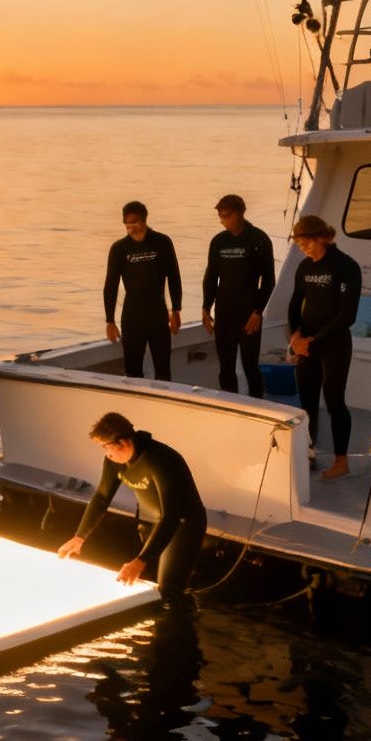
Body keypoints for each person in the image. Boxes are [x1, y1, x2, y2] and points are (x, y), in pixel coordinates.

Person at [57, 412, 206, 600]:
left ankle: (180, 617)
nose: (107, 454)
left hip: (182, 525)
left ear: (124, 443)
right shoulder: (114, 462)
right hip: (149, 522)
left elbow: (171, 515)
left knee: (167, 590)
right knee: (144, 587)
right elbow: (102, 497)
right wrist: (79, 537)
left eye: (107, 447)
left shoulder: (161, 459)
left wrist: (140, 560)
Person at [285, 214, 363, 479]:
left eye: (304, 241)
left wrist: (313, 341)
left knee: (333, 401)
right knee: (306, 404)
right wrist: (295, 337)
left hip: (334, 344)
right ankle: (308, 455)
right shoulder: (305, 268)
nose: (300, 247)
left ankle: (342, 461)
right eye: (297, 242)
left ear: (321, 237)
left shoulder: (346, 267)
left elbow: (347, 315)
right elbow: (295, 305)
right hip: (307, 346)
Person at [200, 194, 276, 397]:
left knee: (250, 365)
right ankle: (230, 407)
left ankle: (258, 406)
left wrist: (257, 312)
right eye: (221, 216)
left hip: (249, 312)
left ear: (240, 214)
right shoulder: (219, 241)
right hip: (224, 312)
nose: (222, 220)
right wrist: (206, 308)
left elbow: (268, 280)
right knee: (226, 367)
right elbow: (210, 277)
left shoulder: (258, 239)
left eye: (226, 216)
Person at [103, 200, 183, 380]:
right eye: (127, 225)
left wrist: (176, 309)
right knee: (132, 372)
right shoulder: (119, 249)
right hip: (132, 317)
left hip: (158, 315)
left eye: (135, 223)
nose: (131, 229)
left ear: (144, 220)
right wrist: (110, 320)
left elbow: (174, 277)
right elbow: (110, 286)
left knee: (163, 370)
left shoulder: (162, 242)